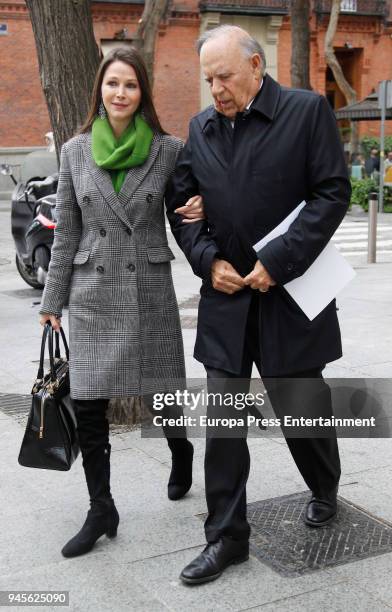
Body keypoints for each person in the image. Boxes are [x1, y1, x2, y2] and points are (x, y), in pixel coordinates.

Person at [165, 25, 351, 584]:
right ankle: (226, 537)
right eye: (208, 80)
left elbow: (331, 192)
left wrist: (278, 259)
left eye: (223, 77)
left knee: (302, 407)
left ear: (254, 65)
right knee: (223, 420)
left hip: (288, 295)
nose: (215, 89)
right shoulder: (199, 129)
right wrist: (206, 260)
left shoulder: (306, 110)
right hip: (226, 300)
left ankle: (325, 486)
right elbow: (181, 206)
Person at [39, 47, 204, 559]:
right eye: (113, 84)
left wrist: (204, 205)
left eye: (130, 85)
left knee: (162, 391)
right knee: (89, 404)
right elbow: (67, 231)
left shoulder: (169, 149)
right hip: (92, 292)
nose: (120, 93)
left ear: (142, 93)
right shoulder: (74, 151)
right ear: (100, 91)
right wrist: (52, 299)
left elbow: (188, 208)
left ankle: (180, 449)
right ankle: (101, 507)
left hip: (147, 285)